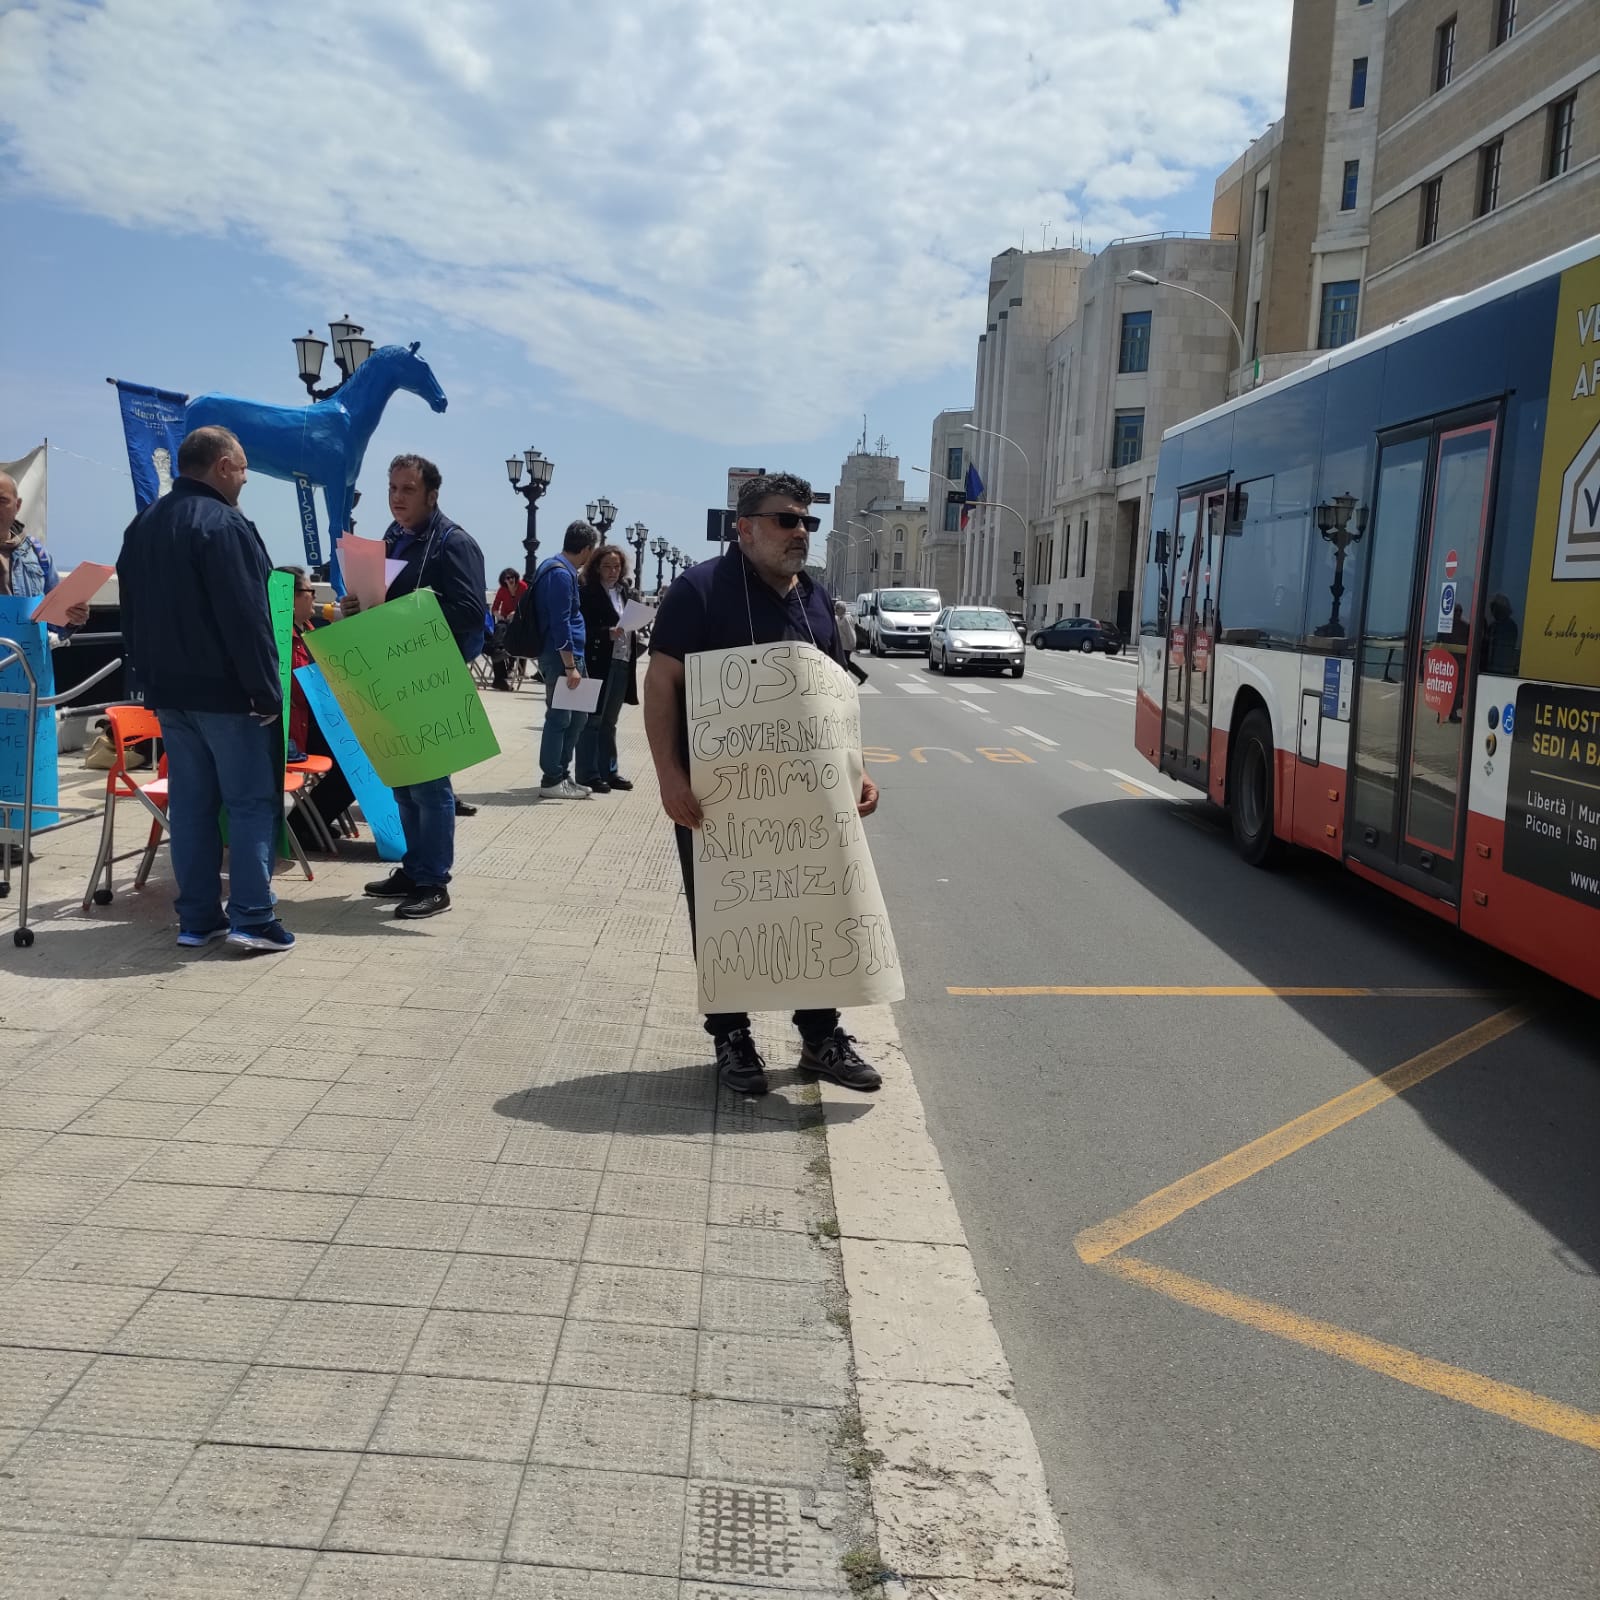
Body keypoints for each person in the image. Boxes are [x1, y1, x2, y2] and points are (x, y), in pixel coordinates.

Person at [644, 471, 883, 1097]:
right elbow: (661, 684)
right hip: (716, 801)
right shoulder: (698, 591)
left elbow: (835, 700)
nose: (799, 531)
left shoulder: (817, 600)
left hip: (806, 803)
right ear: (743, 528)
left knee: (814, 911)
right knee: (724, 914)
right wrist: (670, 775)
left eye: (806, 521)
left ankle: (821, 1036)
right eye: (785, 520)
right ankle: (730, 1036)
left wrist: (859, 772)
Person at [116, 426, 292, 953]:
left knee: (191, 805)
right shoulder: (225, 524)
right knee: (250, 803)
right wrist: (266, 690)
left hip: (168, 691)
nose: (244, 478)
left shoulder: (143, 524)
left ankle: (197, 918)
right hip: (226, 692)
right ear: (220, 466)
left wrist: (146, 681)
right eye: (242, 468)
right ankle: (253, 917)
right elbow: (247, 618)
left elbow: (132, 612)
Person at [344, 453, 487, 919]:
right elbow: (383, 598)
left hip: (430, 674)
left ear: (431, 494)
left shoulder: (454, 543)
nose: (397, 498)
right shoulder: (392, 539)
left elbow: (470, 612)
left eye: (407, 489)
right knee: (402, 780)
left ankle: (433, 881)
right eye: (392, 488)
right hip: (392, 672)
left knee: (430, 783)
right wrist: (359, 606)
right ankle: (412, 867)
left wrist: (403, 615)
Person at [276, 566, 356, 846]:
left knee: (360, 755)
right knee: (353, 764)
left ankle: (313, 820)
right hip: (291, 734)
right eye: (310, 592)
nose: (314, 598)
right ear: (291, 597)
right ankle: (301, 825)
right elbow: (296, 689)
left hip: (314, 723)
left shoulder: (308, 630)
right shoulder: (278, 636)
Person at [533, 520, 598, 798]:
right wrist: (570, 666)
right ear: (585, 549)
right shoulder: (559, 574)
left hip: (570, 656)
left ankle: (562, 774)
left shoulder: (555, 568)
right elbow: (561, 623)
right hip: (563, 658)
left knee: (578, 718)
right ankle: (551, 779)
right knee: (560, 717)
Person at [575, 543, 641, 793]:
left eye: (617, 566)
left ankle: (609, 771)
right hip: (599, 660)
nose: (613, 571)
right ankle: (587, 773)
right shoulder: (587, 593)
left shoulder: (624, 591)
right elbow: (582, 629)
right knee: (592, 719)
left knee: (610, 721)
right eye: (607, 567)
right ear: (597, 568)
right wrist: (606, 633)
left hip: (622, 660)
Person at [0, 472, 91, 629]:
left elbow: (55, 621)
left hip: (26, 652)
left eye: (2, 501)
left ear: (18, 505)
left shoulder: (37, 554)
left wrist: (72, 617)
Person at [489, 566, 526, 691]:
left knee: (501, 635)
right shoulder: (502, 590)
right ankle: (499, 651)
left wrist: (515, 612)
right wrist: (499, 616)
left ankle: (500, 655)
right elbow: (494, 608)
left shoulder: (523, 587)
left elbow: (527, 606)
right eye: (508, 578)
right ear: (503, 580)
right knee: (499, 628)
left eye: (513, 577)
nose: (511, 580)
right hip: (505, 621)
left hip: (520, 622)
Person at [834, 598, 868, 684]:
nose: (836, 610)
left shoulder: (846, 618)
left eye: (838, 608)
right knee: (845, 662)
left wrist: (853, 645)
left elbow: (850, 632)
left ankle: (857, 676)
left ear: (842, 609)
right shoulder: (839, 618)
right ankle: (862, 675)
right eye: (836, 608)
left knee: (844, 662)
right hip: (842, 645)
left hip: (847, 645)